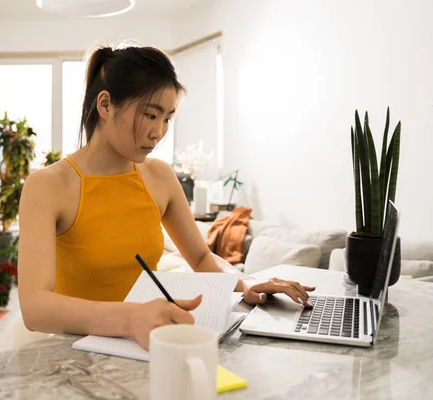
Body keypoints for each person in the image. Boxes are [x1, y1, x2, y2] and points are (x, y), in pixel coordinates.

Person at [18, 44, 315, 350]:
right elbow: (35, 308)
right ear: (105, 105)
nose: (158, 132)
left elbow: (200, 257)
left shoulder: (159, 176)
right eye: (150, 114)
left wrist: (246, 282)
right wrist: (130, 318)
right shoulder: (48, 186)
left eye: (168, 119)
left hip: (147, 342)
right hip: (75, 351)